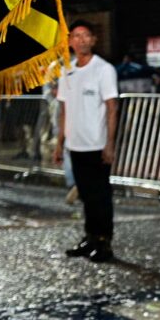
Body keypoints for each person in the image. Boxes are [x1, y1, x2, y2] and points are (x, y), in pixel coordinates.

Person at [53, 21, 118, 263]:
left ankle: (104, 242)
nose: (80, 40)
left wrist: (109, 143)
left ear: (93, 40)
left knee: (100, 195)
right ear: (69, 41)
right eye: (76, 36)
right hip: (75, 145)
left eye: (85, 36)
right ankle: (90, 237)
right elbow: (63, 109)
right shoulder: (66, 70)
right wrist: (60, 143)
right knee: (86, 196)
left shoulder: (104, 69)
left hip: (96, 145)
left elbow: (112, 107)